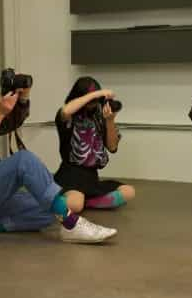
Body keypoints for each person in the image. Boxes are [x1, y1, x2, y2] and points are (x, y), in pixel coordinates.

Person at [0, 47, 117, 243]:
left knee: (51, 207)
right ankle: (71, 225)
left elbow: (8, 123)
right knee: (23, 160)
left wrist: (22, 98)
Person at [54, 77, 135, 213]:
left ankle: (89, 201)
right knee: (75, 204)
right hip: (69, 175)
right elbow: (66, 111)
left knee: (129, 192)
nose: (94, 104)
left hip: (91, 177)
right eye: (91, 100)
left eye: (97, 100)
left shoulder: (99, 116)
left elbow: (113, 147)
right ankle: (52, 200)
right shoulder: (69, 115)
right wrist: (96, 94)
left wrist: (110, 121)